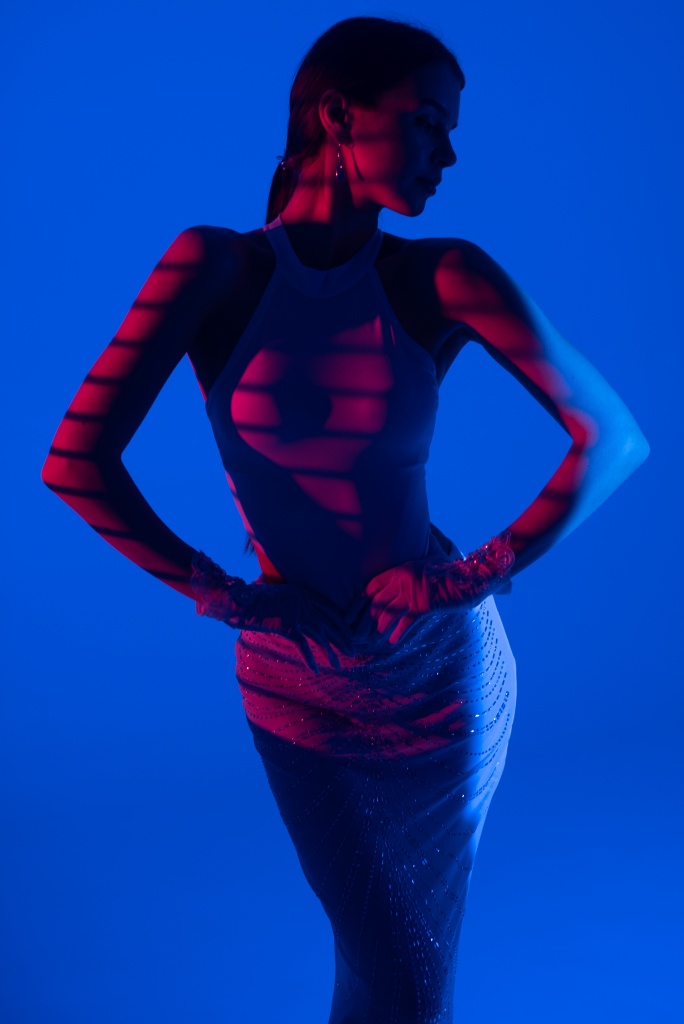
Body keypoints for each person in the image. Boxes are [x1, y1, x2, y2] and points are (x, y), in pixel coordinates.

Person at [41, 15, 649, 1024]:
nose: (448, 155)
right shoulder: (214, 268)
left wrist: (464, 578)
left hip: (442, 682)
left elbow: (613, 437)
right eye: (426, 122)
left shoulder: (439, 275)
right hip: (299, 691)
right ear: (336, 116)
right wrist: (225, 596)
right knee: (388, 971)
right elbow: (76, 461)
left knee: (411, 979)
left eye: (450, 131)